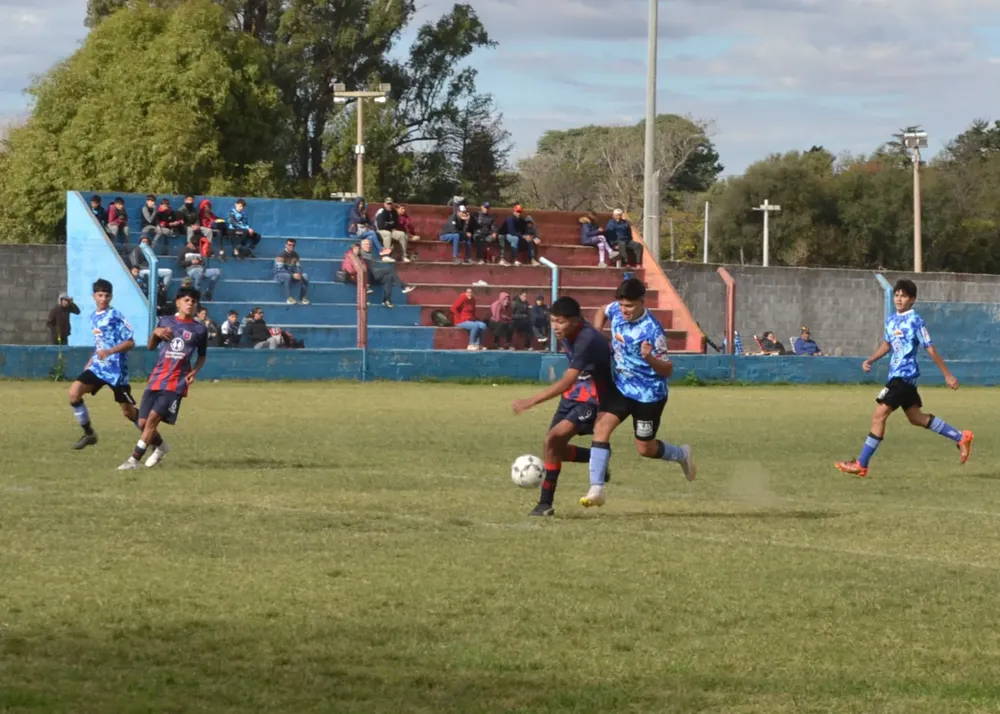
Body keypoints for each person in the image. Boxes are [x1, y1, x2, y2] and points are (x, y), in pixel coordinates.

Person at [834, 279, 974, 478]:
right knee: (916, 417)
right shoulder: (891, 320)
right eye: (897, 295)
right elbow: (887, 344)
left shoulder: (915, 320)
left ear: (912, 299)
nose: (899, 299)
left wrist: (947, 374)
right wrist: (871, 359)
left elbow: (930, 347)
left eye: (904, 296)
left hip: (903, 377)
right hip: (900, 379)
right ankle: (961, 436)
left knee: (878, 416)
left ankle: (861, 464)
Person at [582, 277, 695, 508]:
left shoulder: (653, 331)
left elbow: (668, 370)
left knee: (646, 448)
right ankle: (597, 488)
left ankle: (682, 454)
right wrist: (597, 332)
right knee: (601, 427)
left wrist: (649, 358)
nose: (624, 311)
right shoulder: (616, 309)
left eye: (630, 306)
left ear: (642, 303)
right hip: (622, 387)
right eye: (622, 305)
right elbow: (601, 310)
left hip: (649, 394)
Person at [512, 297, 614, 516]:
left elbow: (567, 380)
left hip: (594, 399)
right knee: (553, 448)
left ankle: (544, 503)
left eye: (560, 321)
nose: (555, 327)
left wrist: (531, 401)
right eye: (552, 321)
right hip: (573, 396)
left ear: (575, 320)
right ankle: (597, 459)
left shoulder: (586, 339)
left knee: (552, 439)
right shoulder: (570, 332)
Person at [67, 279, 166, 457]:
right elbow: (100, 343)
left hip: (116, 372)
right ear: (94, 296)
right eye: (100, 295)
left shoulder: (115, 316)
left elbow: (130, 342)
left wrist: (110, 351)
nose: (103, 299)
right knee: (74, 393)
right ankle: (89, 433)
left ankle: (157, 443)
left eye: (107, 295)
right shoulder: (93, 317)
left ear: (111, 296)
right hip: (98, 368)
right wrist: (92, 359)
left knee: (128, 412)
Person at [118, 286, 208, 471]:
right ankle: (161, 447)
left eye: (193, 301)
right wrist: (155, 333)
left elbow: (202, 355)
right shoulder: (165, 321)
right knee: (142, 422)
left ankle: (133, 460)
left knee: (152, 420)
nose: (190, 304)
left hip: (177, 382)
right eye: (186, 300)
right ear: (178, 302)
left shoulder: (199, 329)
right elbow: (151, 346)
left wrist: (194, 371)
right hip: (157, 377)